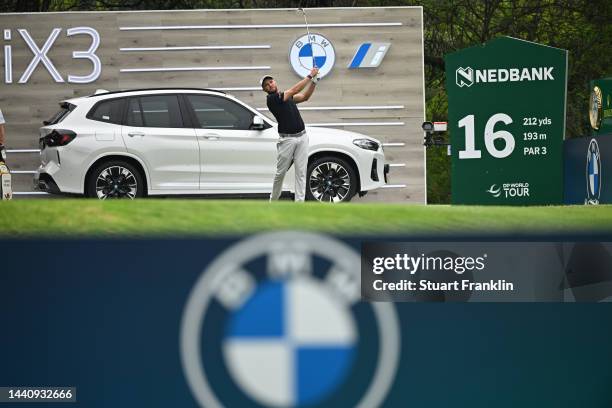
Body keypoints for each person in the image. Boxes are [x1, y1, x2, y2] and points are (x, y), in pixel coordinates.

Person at [260, 67, 319, 202]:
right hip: (287, 140)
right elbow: (294, 90)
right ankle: (273, 201)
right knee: (281, 173)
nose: (270, 85)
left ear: (275, 82)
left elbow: (305, 97)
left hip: (302, 137)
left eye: (271, 82)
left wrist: (314, 82)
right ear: (265, 90)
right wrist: (310, 76)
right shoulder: (272, 99)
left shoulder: (286, 96)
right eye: (266, 85)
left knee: (301, 173)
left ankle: (299, 204)